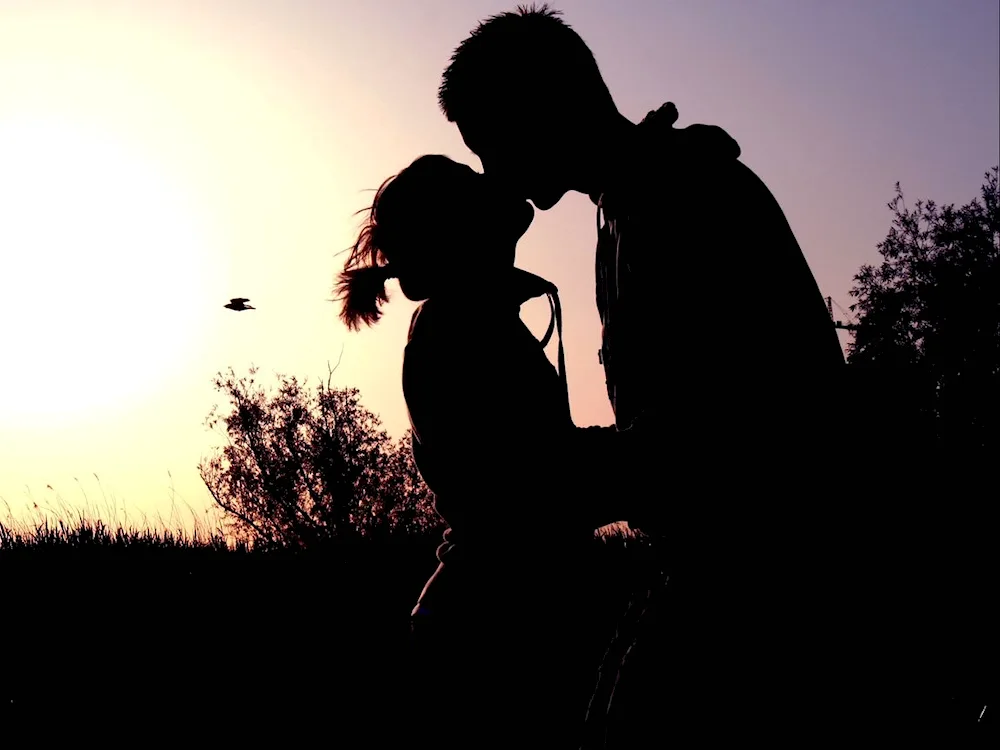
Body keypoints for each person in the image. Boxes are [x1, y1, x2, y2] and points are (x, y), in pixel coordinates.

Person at [433, 4, 910, 746]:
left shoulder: (684, 197)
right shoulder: (626, 212)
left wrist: (533, 493)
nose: (494, 173)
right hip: (719, 573)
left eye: (491, 141)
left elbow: (719, 431)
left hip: (769, 583)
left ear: (542, 105)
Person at [334, 154, 647, 749]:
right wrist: (668, 456)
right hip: (497, 626)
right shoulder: (462, 330)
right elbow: (540, 481)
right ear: (464, 235)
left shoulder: (469, 320)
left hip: (487, 611)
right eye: (479, 197)